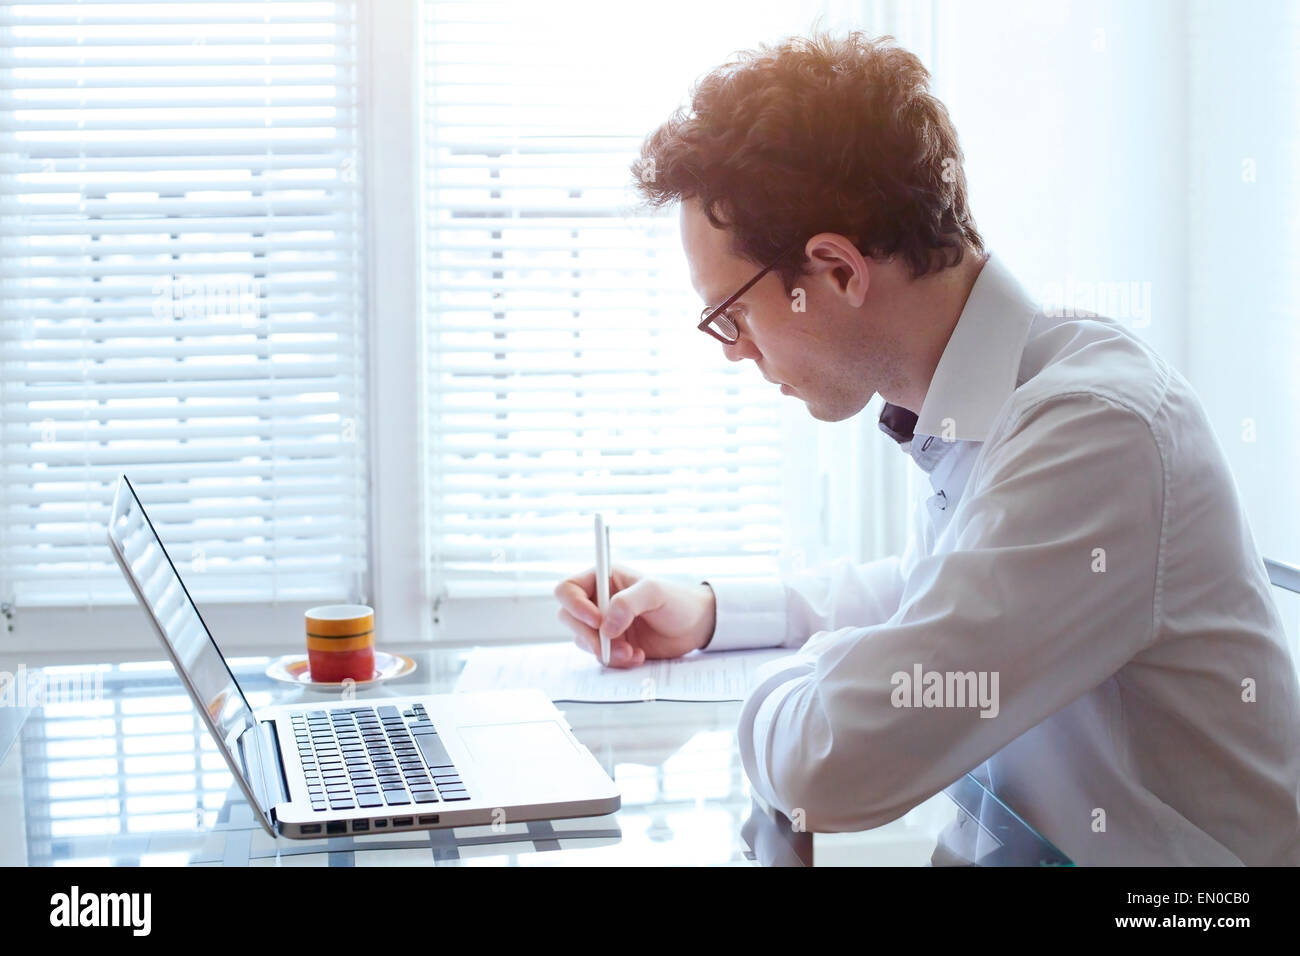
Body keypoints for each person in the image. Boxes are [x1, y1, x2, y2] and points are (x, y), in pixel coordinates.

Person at [553, 32, 1300, 865]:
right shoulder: (990, 397)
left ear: (835, 271)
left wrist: (781, 689)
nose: (733, 350)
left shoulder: (1096, 433)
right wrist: (711, 615)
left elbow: (827, 768)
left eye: (731, 315)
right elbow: (929, 596)